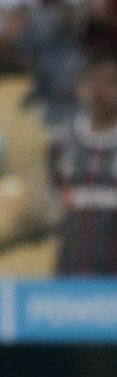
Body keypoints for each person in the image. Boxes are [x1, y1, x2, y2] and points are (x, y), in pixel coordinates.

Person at [49, 48, 117, 274]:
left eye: (110, 82)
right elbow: (52, 201)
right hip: (71, 268)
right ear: (79, 87)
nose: (100, 91)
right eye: (92, 81)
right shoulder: (61, 144)